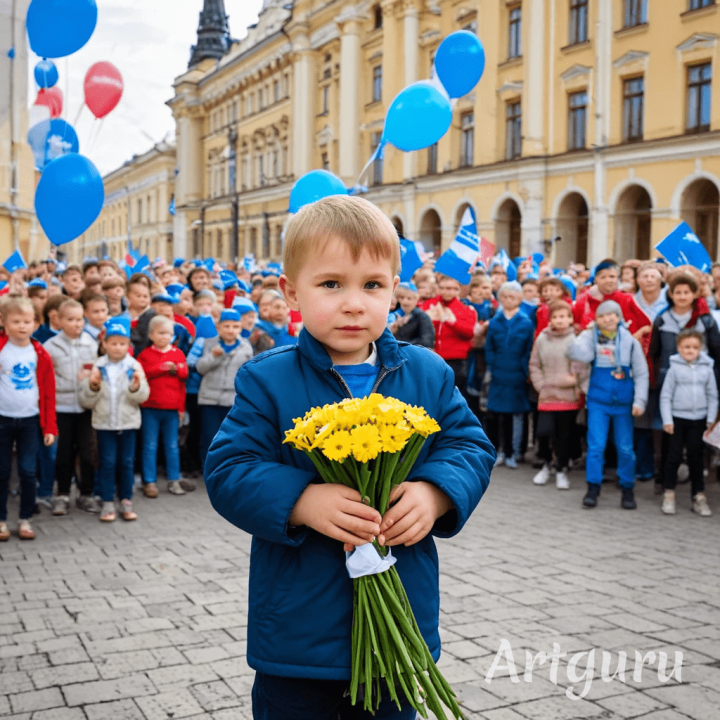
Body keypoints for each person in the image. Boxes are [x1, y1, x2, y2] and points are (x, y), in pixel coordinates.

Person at [204, 195, 494, 719]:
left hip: (398, 625)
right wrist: (301, 501)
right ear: (292, 292)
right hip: (299, 634)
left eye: (373, 285)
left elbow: (469, 444)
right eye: (331, 284)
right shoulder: (267, 378)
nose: (354, 303)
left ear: (394, 290)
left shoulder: (427, 373)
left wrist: (435, 492)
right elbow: (229, 469)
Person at [568, 300, 649, 510]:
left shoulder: (630, 341)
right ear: (596, 319)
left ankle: (627, 487)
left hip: (624, 404)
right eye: (602, 316)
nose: (607, 319)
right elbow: (578, 355)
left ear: (619, 316)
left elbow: (641, 373)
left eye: (612, 314)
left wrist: (639, 401)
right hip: (598, 402)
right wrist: (581, 335)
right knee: (596, 446)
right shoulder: (590, 337)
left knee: (625, 448)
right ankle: (593, 487)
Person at [649, 272, 720, 492]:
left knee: (696, 435)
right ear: (670, 294)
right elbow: (654, 352)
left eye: (686, 292)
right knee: (668, 432)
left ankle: (698, 478)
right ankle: (664, 478)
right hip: (669, 384)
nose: (681, 296)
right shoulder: (662, 319)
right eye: (677, 292)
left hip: (700, 385)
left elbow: (716, 353)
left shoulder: (705, 320)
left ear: (695, 293)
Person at [78, 317, 150, 522]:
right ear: (105, 344)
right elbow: (86, 400)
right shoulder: (97, 367)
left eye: (122, 343)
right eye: (113, 343)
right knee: (107, 462)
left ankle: (126, 499)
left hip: (128, 424)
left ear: (129, 345)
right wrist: (93, 386)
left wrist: (135, 388)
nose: (118, 348)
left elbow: (143, 396)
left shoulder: (134, 367)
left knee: (127, 462)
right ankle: (108, 500)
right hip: (104, 424)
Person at [0, 297, 57, 541]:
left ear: (36, 323)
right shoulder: (2, 349)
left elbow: (48, 392)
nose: (22, 326)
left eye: (27, 321)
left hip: (30, 421)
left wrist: (50, 426)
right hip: (2, 419)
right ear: (3, 322)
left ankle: (25, 519)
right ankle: (1, 520)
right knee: (2, 471)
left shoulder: (40, 353)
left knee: (28, 470)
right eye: (16, 321)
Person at [44, 299, 99, 516]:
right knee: (64, 454)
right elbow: (47, 379)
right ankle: (63, 495)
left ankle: (86, 494)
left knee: (87, 452)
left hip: (86, 408)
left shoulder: (91, 343)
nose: (76, 324)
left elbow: (97, 372)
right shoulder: (51, 346)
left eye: (79, 319)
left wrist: (91, 380)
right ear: (59, 321)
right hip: (62, 408)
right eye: (71, 319)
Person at [529, 300, 588, 489]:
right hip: (547, 395)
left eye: (564, 316)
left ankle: (562, 469)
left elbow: (582, 365)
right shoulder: (542, 339)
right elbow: (534, 364)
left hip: (568, 397)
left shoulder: (576, 339)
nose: (560, 320)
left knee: (564, 437)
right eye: (556, 317)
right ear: (550, 319)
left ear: (570, 319)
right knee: (543, 434)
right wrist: (540, 384)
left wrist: (574, 382)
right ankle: (546, 465)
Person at [659, 329, 717, 517]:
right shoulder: (674, 369)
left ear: (701, 349)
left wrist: (710, 418)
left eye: (695, 347)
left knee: (696, 458)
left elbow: (712, 396)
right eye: (686, 347)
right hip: (677, 420)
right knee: (673, 457)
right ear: (679, 348)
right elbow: (665, 396)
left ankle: (698, 496)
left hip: (699, 420)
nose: (690, 351)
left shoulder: (707, 369)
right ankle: (669, 493)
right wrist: (667, 419)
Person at [484, 281, 534, 468]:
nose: (508, 300)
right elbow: (490, 347)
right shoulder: (495, 322)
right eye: (504, 296)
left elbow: (528, 349)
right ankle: (497, 451)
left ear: (520, 299)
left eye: (512, 297)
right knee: (496, 415)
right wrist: (493, 364)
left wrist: (524, 370)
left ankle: (511, 452)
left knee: (513, 415)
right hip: (498, 373)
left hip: (516, 375)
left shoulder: (526, 322)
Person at [137, 316, 188, 497]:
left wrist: (181, 408)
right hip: (150, 407)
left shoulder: (178, 353)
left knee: (172, 446)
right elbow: (141, 373)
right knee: (150, 446)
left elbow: (184, 376)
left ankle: (174, 479)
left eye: (168, 333)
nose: (164, 337)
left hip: (172, 409)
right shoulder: (145, 355)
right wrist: (161, 368)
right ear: (151, 335)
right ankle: (149, 481)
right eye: (160, 333)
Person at [196, 309, 253, 466]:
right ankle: (209, 467)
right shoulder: (209, 344)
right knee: (210, 436)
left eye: (235, 326)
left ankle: (228, 467)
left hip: (233, 400)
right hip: (209, 399)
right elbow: (200, 368)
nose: (230, 330)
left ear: (240, 328)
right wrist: (213, 357)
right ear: (219, 327)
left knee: (231, 436)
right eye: (226, 326)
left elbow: (247, 373)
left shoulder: (246, 347)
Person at [420, 275, 476, 402]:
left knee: (453, 398)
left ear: (458, 290)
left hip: (455, 360)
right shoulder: (428, 305)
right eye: (444, 288)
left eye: (452, 288)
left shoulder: (465, 309)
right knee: (431, 397)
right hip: (431, 358)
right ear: (438, 288)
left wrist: (451, 322)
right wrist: (431, 319)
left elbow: (469, 333)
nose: (447, 292)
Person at [573, 259, 650, 335]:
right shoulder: (584, 299)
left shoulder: (628, 299)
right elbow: (573, 325)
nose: (608, 280)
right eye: (603, 277)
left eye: (612, 277)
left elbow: (646, 326)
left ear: (618, 278)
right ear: (596, 279)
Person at [388, 282, 434, 348]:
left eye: (409, 298)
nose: (405, 301)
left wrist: (402, 346)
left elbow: (426, 341)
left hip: (413, 354)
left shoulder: (422, 317)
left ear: (416, 299)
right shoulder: (394, 315)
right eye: (402, 298)